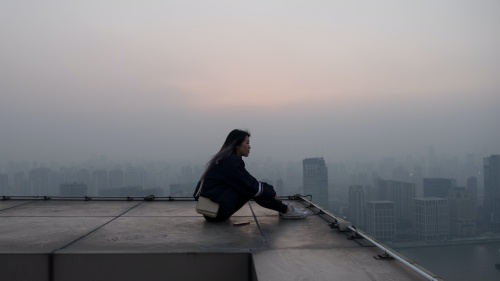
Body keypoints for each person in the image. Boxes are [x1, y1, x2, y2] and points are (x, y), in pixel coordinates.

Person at [196, 129, 308, 222]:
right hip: (217, 212)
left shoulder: (225, 159)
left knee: (251, 188)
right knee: (251, 190)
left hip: (212, 210)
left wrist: (268, 191)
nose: (249, 147)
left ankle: (285, 209)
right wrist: (271, 192)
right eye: (247, 143)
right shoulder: (230, 162)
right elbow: (251, 185)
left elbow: (248, 181)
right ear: (237, 145)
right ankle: (286, 210)